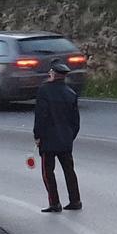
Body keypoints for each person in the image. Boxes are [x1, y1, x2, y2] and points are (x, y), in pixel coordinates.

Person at [34, 61, 81, 213]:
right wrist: (69, 137)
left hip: (48, 139)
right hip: (65, 139)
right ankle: (75, 201)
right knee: (69, 171)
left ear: (53, 74)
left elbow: (41, 116)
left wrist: (37, 135)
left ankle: (54, 203)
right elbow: (76, 122)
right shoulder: (71, 93)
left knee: (48, 172)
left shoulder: (44, 91)